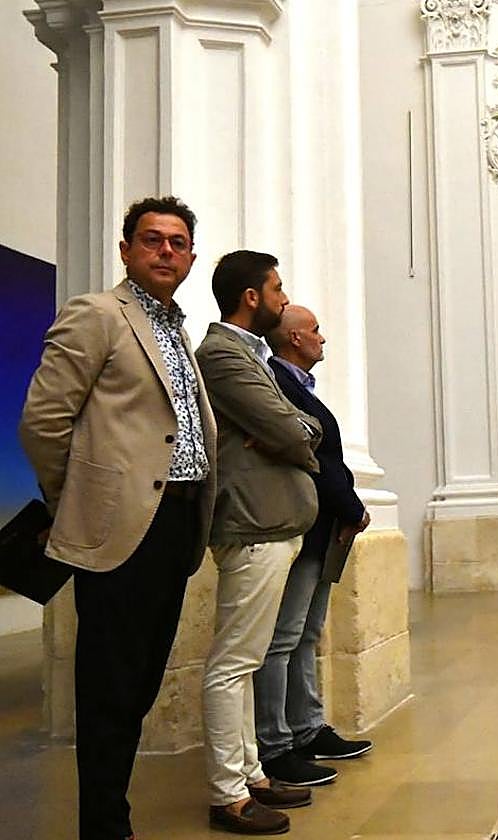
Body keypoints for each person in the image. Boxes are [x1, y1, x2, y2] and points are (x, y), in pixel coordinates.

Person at [19, 196, 217, 840]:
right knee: (110, 684)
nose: (166, 251)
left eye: (178, 242)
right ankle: (104, 823)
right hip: (124, 525)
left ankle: (114, 809)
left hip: (178, 524)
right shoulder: (98, 315)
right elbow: (45, 421)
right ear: (126, 249)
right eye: (153, 239)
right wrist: (72, 502)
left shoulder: (176, 328)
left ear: (190, 256)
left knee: (140, 680)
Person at [195, 251, 322, 835]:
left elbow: (303, 426)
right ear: (252, 296)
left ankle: (252, 775)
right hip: (252, 526)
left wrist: (291, 434)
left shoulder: (252, 355)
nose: (282, 295)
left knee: (244, 662)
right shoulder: (222, 355)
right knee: (232, 664)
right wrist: (287, 435)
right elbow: (289, 428)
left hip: (272, 525)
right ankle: (228, 793)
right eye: (276, 287)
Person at [254, 305, 372, 787]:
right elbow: (314, 459)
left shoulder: (298, 386)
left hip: (324, 526)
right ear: (296, 339)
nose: (323, 338)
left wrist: (348, 508)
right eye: (316, 330)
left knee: (307, 634)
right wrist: (351, 506)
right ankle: (275, 743)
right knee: (281, 639)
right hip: (303, 523)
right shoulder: (276, 384)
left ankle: (307, 728)